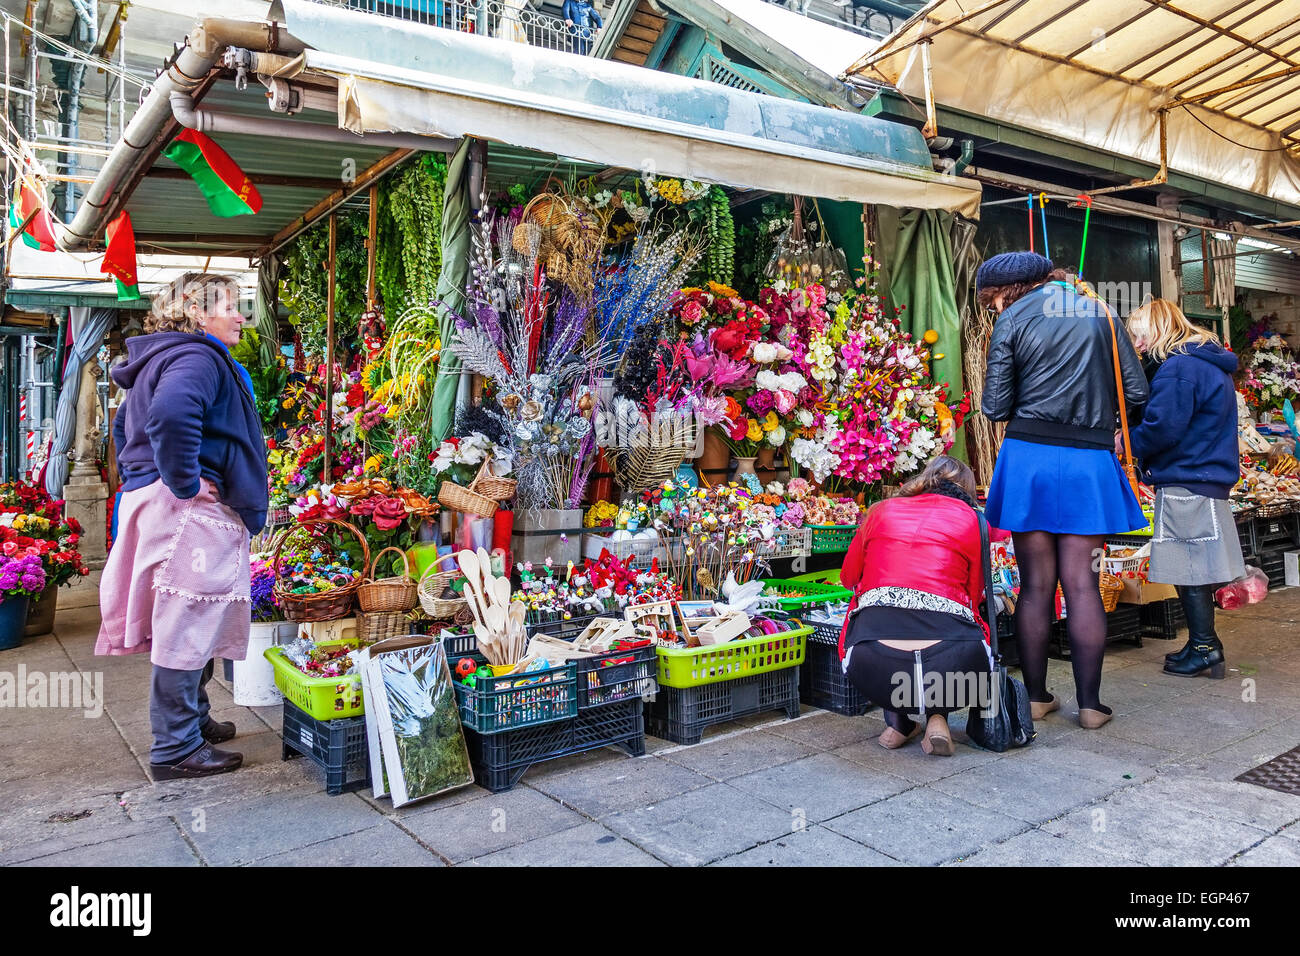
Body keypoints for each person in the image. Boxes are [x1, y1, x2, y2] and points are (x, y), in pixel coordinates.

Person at [96, 273, 268, 781]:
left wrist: (148, 476)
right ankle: (176, 748)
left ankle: (193, 723)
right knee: (186, 622)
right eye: (232, 307)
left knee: (196, 615)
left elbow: (127, 425)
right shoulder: (196, 357)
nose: (241, 317)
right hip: (186, 512)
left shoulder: (165, 356)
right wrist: (185, 480)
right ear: (196, 311)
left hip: (169, 506)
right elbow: (172, 415)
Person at [980, 252, 1149, 730]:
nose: (991, 307)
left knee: (1035, 586)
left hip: (1028, 460)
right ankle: (1091, 706)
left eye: (990, 298)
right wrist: (1112, 424)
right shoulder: (1100, 310)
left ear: (1007, 291)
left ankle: (1035, 698)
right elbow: (1136, 393)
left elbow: (994, 406)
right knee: (1083, 586)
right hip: (1089, 461)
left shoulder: (1011, 320)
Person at [839, 456, 994, 756]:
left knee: (875, 614)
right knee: (954, 626)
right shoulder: (974, 521)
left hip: (872, 666)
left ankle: (898, 723)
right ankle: (938, 718)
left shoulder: (879, 511)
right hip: (955, 668)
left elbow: (849, 579)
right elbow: (975, 595)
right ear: (968, 490)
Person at [1126, 299, 1243, 678]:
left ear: (1157, 330)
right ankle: (1202, 642)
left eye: (1140, 337)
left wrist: (1127, 443)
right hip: (1203, 477)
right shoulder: (1205, 364)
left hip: (1187, 479)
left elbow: (1164, 427)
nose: (1139, 346)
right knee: (1196, 565)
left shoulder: (1179, 368)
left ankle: (1205, 647)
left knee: (1190, 567)